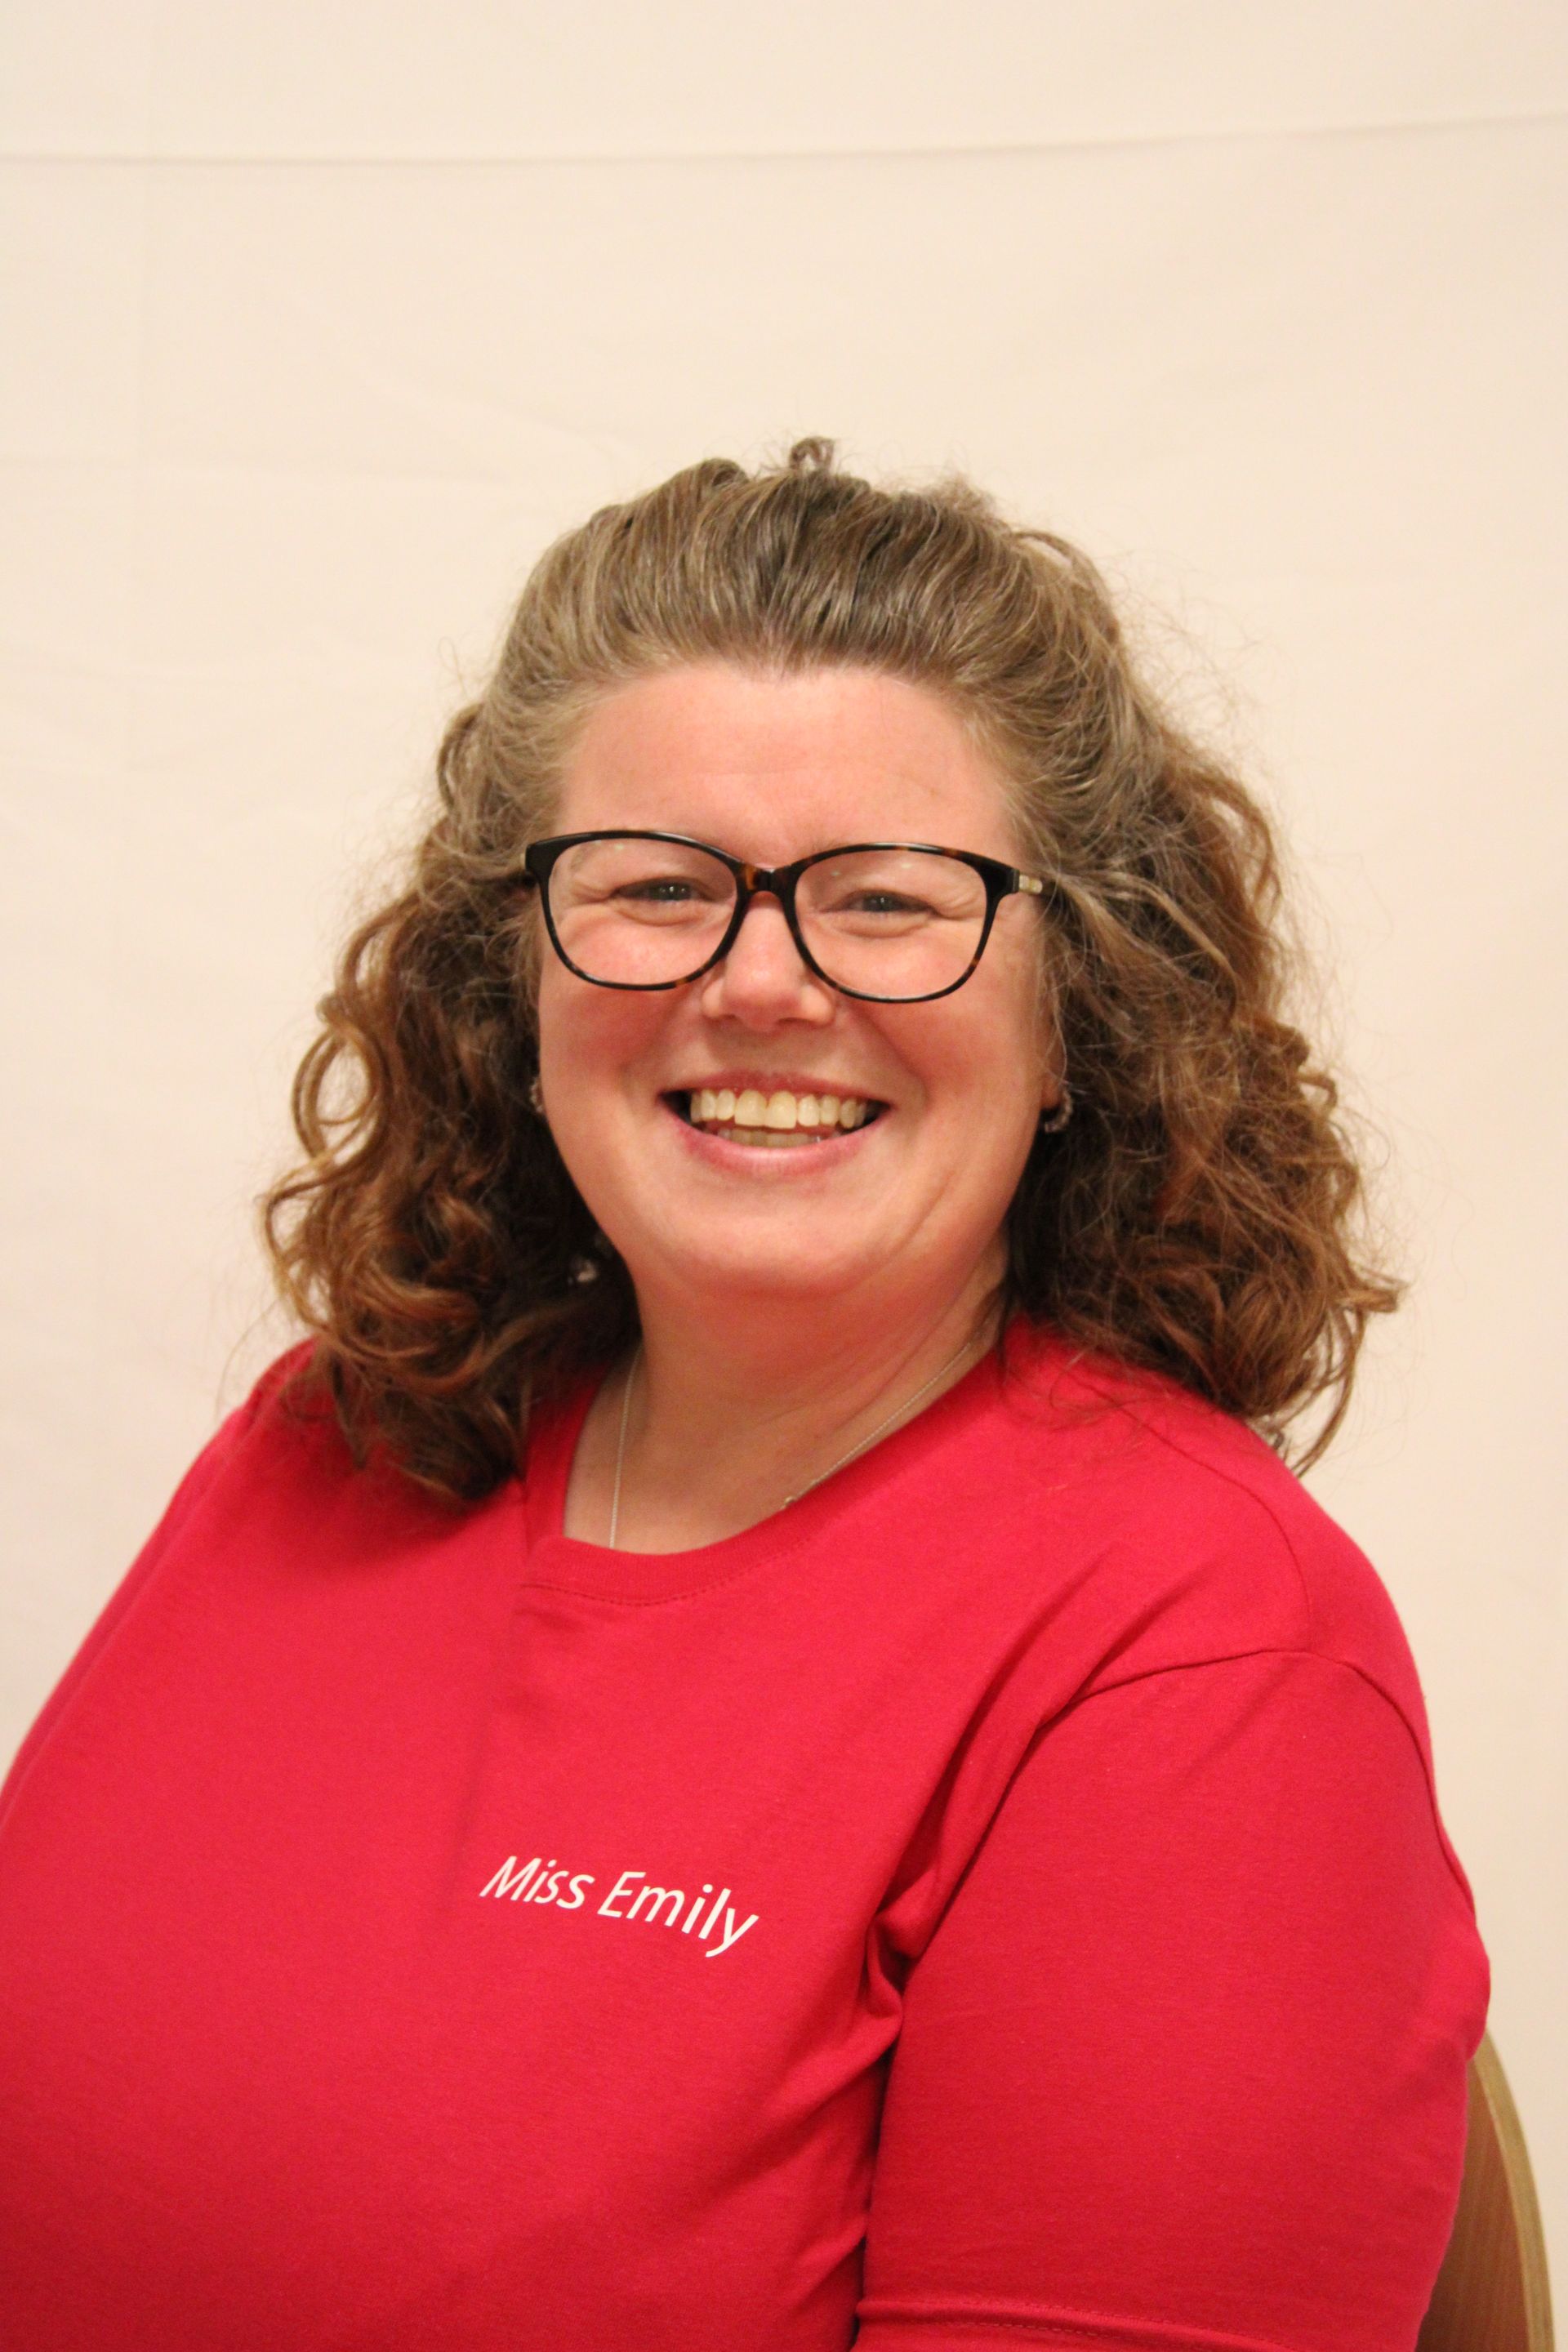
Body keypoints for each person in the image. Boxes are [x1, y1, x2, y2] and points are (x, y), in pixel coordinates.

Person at [0, 440, 1488, 2350]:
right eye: (654, 886)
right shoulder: (329, 1435)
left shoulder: (1205, 1666)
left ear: (1080, 1017)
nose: (764, 983)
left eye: (886, 901)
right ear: (512, 991)